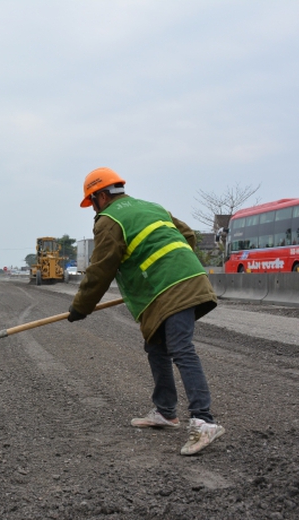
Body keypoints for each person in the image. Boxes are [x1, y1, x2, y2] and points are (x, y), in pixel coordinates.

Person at [68, 167, 224, 456]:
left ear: (102, 196)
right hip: (181, 281)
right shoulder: (151, 206)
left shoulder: (109, 220)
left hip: (172, 287)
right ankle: (166, 412)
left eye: (92, 202)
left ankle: (204, 421)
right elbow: (187, 236)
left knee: (180, 347)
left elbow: (101, 269)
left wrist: (80, 307)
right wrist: (170, 264)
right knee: (156, 345)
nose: (93, 208)